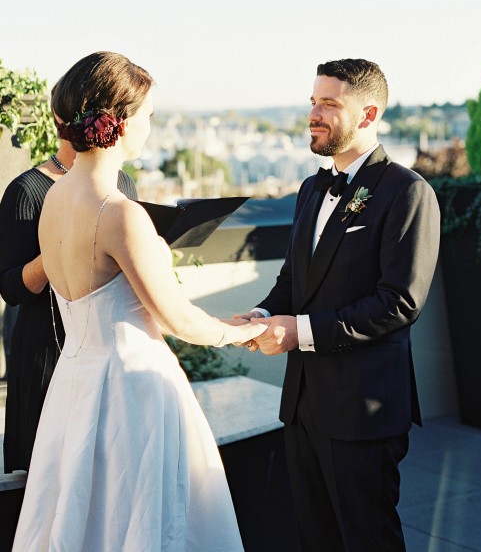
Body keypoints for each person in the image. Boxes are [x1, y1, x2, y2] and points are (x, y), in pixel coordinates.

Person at [12, 52, 266, 552]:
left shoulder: (53, 198)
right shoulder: (121, 213)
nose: (150, 127)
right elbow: (178, 319)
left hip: (75, 383)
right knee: (146, 517)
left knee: (83, 519)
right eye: (148, 115)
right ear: (122, 121)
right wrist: (242, 330)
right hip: (132, 390)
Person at [238, 58, 440, 552]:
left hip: (363, 413)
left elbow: (399, 303)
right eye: (313, 101)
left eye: (329, 103)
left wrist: (298, 333)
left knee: (369, 541)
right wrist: (262, 315)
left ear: (368, 115)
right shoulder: (310, 189)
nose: (315, 113)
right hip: (303, 407)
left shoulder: (408, 192)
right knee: (316, 540)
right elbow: (293, 281)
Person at [0, 134, 137, 474]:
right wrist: (61, 246)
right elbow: (11, 288)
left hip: (107, 354)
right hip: (47, 354)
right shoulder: (26, 190)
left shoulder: (123, 184)